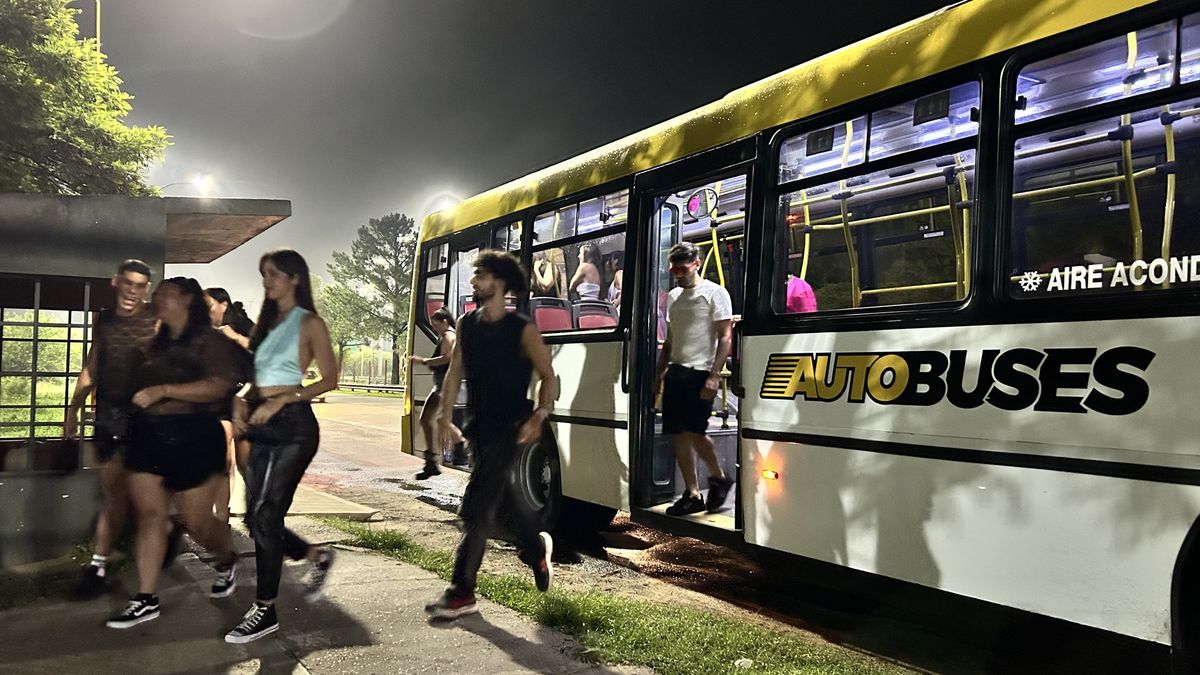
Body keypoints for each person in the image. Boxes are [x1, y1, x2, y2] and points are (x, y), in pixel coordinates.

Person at [105, 277, 243, 629]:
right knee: (150, 517)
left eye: (166, 293)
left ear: (187, 300)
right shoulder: (152, 343)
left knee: (195, 522)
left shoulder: (211, 341)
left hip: (196, 437)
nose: (158, 299)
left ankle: (227, 558)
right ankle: (146, 598)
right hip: (150, 437)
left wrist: (164, 390)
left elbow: (218, 386)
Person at [425, 251, 557, 620]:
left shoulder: (522, 329)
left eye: (479, 275)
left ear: (498, 282)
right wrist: (444, 415)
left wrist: (540, 415)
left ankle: (461, 591)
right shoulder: (467, 324)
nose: (473, 281)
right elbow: (454, 372)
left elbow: (549, 377)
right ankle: (535, 549)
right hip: (479, 426)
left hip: (512, 428)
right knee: (507, 499)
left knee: (477, 507)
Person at [223, 248, 339, 644]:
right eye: (263, 275)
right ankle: (317, 556)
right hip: (256, 424)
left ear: (293, 278)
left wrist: (284, 399)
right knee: (256, 519)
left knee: (267, 514)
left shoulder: (310, 323)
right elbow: (254, 377)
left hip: (293, 428)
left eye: (271, 274)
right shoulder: (266, 324)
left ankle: (265, 609)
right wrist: (242, 398)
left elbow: (329, 379)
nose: (265, 282)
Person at [66, 260, 158, 597]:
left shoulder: (154, 321)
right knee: (113, 492)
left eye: (141, 285)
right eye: (129, 283)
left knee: (149, 497)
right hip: (109, 420)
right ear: (116, 282)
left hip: (145, 421)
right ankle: (99, 565)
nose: (134, 291)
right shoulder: (104, 320)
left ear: (147, 289)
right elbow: (91, 369)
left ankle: (159, 542)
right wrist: (72, 411)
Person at [656, 242, 736, 516]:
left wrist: (714, 375)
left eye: (682, 267)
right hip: (677, 371)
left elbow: (725, 337)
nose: (678, 273)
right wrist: (660, 372)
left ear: (696, 263)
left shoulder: (715, 293)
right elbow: (670, 339)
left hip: (701, 372)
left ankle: (719, 477)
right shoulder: (675, 296)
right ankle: (692, 493)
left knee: (695, 431)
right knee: (677, 434)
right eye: (674, 268)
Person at [205, 287, 255, 525]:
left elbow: (265, 352)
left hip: (247, 399)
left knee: (246, 462)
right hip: (220, 402)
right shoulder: (208, 332)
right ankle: (222, 514)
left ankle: (257, 510)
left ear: (224, 305)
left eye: (210, 305)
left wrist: (234, 337)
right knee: (223, 459)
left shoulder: (244, 325)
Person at [409, 307, 457, 479]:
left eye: (436, 325)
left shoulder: (448, 336)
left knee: (430, 419)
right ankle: (432, 461)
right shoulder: (448, 335)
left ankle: (433, 461)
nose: (434, 329)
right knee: (429, 419)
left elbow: (448, 357)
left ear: (445, 322)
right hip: (441, 385)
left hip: (443, 386)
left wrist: (423, 361)